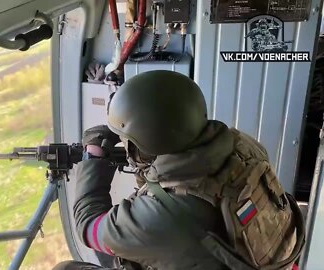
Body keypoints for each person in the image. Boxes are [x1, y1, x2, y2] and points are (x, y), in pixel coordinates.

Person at [54, 70, 304, 270]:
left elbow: (88, 227)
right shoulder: (244, 146)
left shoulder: (157, 217)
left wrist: (94, 156)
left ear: (143, 147)